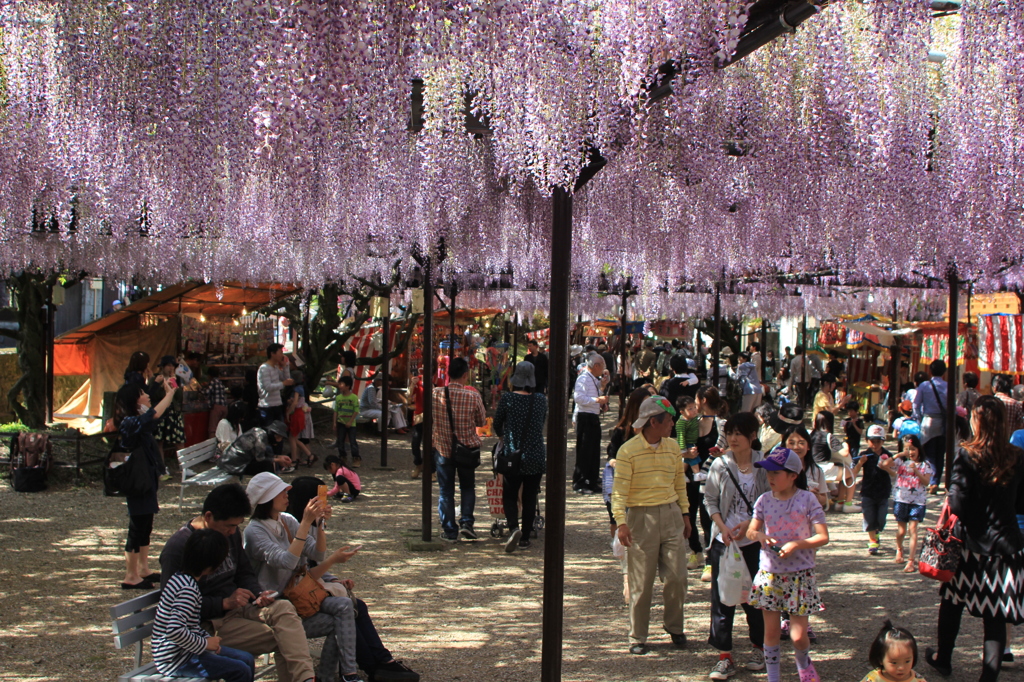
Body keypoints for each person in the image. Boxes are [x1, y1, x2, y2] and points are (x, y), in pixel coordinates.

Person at [160, 484, 318, 682]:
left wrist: (257, 593)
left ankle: (305, 679)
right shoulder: (179, 548)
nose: (233, 532)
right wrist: (223, 603)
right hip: (209, 623)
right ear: (208, 517)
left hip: (238, 608)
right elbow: (170, 604)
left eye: (237, 526)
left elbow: (244, 571)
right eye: (230, 526)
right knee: (287, 638)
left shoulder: (229, 533)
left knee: (283, 608)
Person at [925, 395, 1024, 682]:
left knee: (952, 602)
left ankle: (944, 659)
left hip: (969, 544)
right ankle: (988, 677)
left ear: (976, 421)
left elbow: (957, 503)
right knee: (995, 614)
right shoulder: (1017, 456)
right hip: (1005, 544)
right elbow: (1021, 503)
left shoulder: (966, 455)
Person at [283, 478, 419, 682]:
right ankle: (371, 666)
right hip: (296, 595)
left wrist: (334, 579)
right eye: (319, 498)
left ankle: (382, 661)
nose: (325, 503)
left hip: (309, 586)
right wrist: (331, 562)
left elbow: (312, 564)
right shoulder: (294, 527)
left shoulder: (309, 525)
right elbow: (300, 572)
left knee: (357, 605)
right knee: (347, 608)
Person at [241, 473, 364, 682]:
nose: (286, 494)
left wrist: (319, 523)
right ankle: (328, 677)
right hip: (273, 605)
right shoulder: (255, 532)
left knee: (345, 606)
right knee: (338, 621)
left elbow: (318, 554)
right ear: (266, 498)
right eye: (281, 492)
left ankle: (347, 675)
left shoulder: (287, 520)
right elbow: (287, 561)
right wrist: (306, 522)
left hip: (297, 597)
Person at [612, 395, 691, 655]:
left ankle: (675, 626)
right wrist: (621, 522)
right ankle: (637, 635)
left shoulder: (672, 447)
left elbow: (679, 483)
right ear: (653, 422)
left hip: (670, 513)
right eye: (668, 420)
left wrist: (685, 514)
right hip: (640, 517)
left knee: (677, 576)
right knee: (641, 580)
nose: (672, 424)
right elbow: (619, 491)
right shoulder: (628, 451)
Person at [747, 448, 830, 682]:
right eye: (768, 472)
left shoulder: (807, 499)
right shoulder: (764, 500)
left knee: (798, 636)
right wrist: (759, 536)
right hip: (770, 575)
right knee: (771, 632)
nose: (770, 477)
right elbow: (751, 530)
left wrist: (796, 544)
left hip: (800, 576)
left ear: (793, 475)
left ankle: (803, 663)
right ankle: (773, 677)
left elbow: (823, 536)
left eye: (776, 472)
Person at [703, 412, 770, 680]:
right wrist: (721, 526)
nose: (733, 438)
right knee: (722, 599)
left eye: (739, 433)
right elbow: (710, 500)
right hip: (725, 541)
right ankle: (724, 656)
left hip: (754, 541)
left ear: (752, 436)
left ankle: (759, 648)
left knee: (756, 598)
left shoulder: (763, 465)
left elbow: (770, 501)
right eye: (730, 433)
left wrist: (750, 524)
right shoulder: (719, 464)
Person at [153, 529, 256, 682]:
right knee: (240, 670)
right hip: (176, 660)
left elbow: (190, 626)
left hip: (187, 650)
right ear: (212, 567)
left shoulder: (182, 579)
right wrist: (205, 643)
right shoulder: (187, 590)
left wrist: (207, 640)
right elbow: (174, 631)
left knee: (246, 658)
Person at [115, 382, 175, 589]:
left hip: (146, 479)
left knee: (146, 524)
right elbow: (154, 415)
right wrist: (169, 394)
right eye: (142, 393)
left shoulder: (137, 420)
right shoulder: (130, 422)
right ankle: (130, 575)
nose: (147, 396)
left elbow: (154, 416)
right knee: (137, 526)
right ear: (133, 400)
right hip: (136, 482)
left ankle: (143, 568)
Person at [492, 361, 547, 553]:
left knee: (509, 494)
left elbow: (497, 423)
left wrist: (503, 436)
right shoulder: (540, 400)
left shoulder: (508, 398)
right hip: (536, 454)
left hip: (513, 455)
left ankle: (514, 527)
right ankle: (525, 537)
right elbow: (541, 422)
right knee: (530, 495)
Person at [432, 357, 487, 542]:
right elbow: (481, 421)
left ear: (448, 374)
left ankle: (449, 530)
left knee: (445, 491)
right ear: (465, 375)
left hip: (443, 448)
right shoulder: (473, 396)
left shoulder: (436, 394)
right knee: (467, 487)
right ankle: (467, 523)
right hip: (466, 449)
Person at [893, 434, 933, 573]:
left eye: (913, 449)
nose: (910, 452)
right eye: (907, 449)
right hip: (901, 499)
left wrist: (916, 470)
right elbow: (884, 465)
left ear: (919, 449)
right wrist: (898, 455)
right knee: (901, 531)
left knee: (913, 530)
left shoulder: (925, 465)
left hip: (918, 501)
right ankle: (899, 549)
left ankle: (911, 560)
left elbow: (926, 482)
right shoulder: (900, 462)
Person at [855, 424, 897, 555]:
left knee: (881, 518)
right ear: (867, 440)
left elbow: (894, 474)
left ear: (883, 441)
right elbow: (853, 472)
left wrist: (886, 467)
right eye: (872, 441)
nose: (875, 444)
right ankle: (872, 540)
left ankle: (877, 531)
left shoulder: (888, 455)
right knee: (868, 516)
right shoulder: (864, 455)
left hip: (883, 491)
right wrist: (860, 463)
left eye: (878, 441)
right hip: (868, 490)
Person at [573, 353, 610, 495]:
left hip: (593, 416)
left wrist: (602, 388)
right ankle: (581, 481)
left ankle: (592, 479)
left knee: (593, 451)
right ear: (596, 366)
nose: (603, 369)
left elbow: (594, 393)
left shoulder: (593, 379)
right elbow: (579, 398)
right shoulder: (583, 378)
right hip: (585, 417)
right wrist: (597, 400)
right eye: (602, 366)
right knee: (585, 451)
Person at [912, 359, 948, 494]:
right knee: (940, 453)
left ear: (930, 371)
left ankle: (932, 480)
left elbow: (916, 404)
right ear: (944, 372)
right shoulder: (948, 386)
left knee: (929, 453)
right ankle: (936, 481)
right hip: (943, 423)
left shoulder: (924, 386)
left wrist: (919, 419)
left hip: (928, 422)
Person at [149, 355, 186, 474]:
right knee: (159, 441)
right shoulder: (156, 378)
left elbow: (179, 397)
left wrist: (174, 384)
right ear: (163, 366)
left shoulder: (176, 379)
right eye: (169, 365)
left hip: (174, 412)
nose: (171, 368)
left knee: (179, 440)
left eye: (173, 366)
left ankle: (184, 467)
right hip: (161, 412)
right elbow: (152, 396)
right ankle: (162, 468)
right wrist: (163, 386)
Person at [861, 620, 925, 682]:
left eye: (907, 661)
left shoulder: (917, 679)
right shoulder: (873, 678)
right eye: (894, 662)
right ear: (880, 659)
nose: (901, 668)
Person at [257, 344, 295, 426]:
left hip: (277, 404)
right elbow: (267, 386)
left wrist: (285, 366)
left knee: (279, 430)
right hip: (267, 406)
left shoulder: (275, 368)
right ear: (272, 354)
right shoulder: (264, 368)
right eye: (280, 352)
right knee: (269, 430)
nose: (282, 355)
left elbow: (286, 379)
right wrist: (283, 383)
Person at [333, 375, 362, 469]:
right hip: (340, 422)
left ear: (348, 386)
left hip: (351, 424)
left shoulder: (354, 397)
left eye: (341, 384)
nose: (339, 386)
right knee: (340, 441)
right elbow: (336, 411)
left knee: (352, 441)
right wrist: (334, 423)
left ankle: (356, 458)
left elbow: (356, 411)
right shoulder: (338, 398)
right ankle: (342, 457)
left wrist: (350, 421)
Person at [408, 369, 425, 479]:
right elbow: (409, 396)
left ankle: (431, 469)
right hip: (419, 415)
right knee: (415, 442)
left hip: (433, 415)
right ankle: (418, 464)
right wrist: (412, 384)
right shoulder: (419, 380)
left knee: (431, 444)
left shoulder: (438, 380)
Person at [207, 366, 230, 438]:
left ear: (209, 375)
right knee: (221, 428)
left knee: (213, 429)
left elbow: (207, 392)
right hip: (224, 406)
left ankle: (212, 444)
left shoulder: (213, 382)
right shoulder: (220, 382)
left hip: (216, 407)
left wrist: (199, 389)